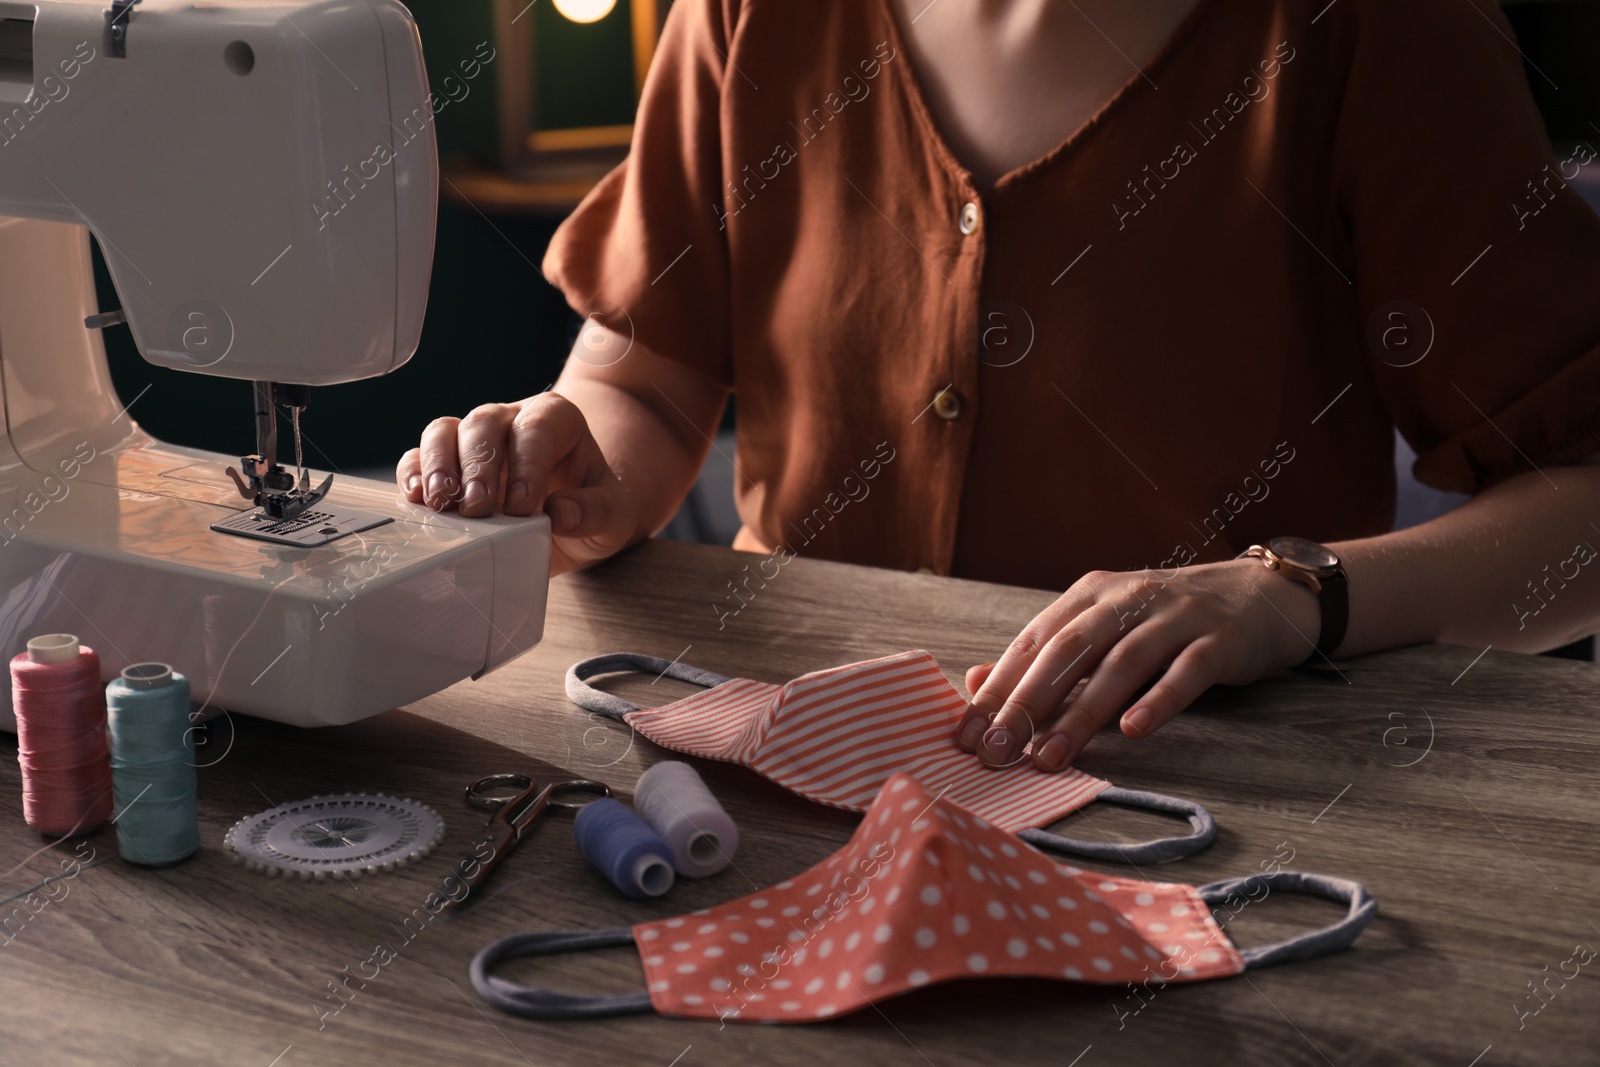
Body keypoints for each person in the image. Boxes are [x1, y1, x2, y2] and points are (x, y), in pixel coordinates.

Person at [398, 0, 1600, 775]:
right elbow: (646, 390)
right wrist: (575, 457)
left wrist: (1292, 596)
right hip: (773, 770)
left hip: (1185, 804)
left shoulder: (1380, 33)